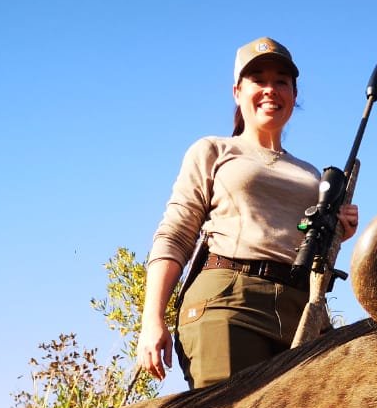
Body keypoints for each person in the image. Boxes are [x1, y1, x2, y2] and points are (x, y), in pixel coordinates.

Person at [136, 37, 358, 389]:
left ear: (294, 95)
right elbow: (175, 234)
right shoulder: (213, 149)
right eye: (259, 80)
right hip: (228, 300)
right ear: (237, 91)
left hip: (301, 308)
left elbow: (307, 249)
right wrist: (153, 320)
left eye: (281, 81)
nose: (271, 89)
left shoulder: (312, 174)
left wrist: (338, 234)